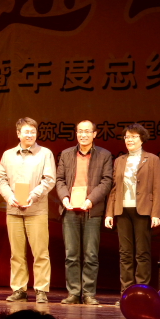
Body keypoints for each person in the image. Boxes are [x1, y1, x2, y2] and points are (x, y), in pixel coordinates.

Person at [0, 117, 56, 303]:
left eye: (33, 132)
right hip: (14, 210)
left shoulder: (45, 153)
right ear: (18, 134)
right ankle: (19, 289)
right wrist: (9, 197)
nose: (30, 135)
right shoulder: (8, 155)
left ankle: (41, 289)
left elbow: (49, 179)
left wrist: (34, 195)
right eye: (26, 132)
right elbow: (1, 180)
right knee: (17, 254)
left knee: (40, 252)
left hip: (36, 210)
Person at [55, 120, 113, 305]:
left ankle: (88, 293)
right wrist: (64, 197)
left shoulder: (104, 155)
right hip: (70, 210)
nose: (83, 135)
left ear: (94, 134)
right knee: (71, 254)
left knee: (91, 255)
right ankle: (73, 292)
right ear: (76, 133)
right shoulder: (66, 154)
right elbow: (59, 180)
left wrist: (91, 200)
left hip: (91, 210)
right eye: (80, 131)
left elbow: (107, 181)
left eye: (87, 131)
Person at [105, 123, 160, 306]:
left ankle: (142, 293)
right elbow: (114, 188)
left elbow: (157, 188)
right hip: (122, 210)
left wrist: (155, 213)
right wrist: (109, 213)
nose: (129, 140)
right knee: (125, 254)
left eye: (133, 137)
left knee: (142, 253)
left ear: (142, 139)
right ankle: (126, 294)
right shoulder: (119, 160)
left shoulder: (152, 159)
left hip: (143, 210)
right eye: (127, 137)